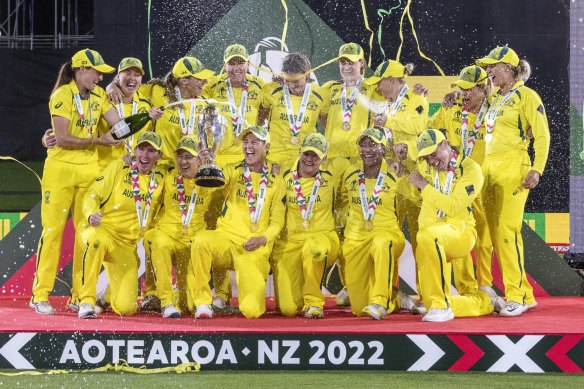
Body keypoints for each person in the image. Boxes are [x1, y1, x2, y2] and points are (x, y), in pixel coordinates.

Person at [30, 49, 121, 315]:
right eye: (96, 71)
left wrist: (142, 120)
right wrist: (98, 141)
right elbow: (62, 138)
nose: (101, 77)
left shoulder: (100, 96)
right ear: (81, 69)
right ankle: (40, 294)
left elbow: (118, 124)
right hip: (60, 171)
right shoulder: (61, 95)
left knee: (85, 235)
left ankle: (81, 297)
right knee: (53, 232)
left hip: (89, 172)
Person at [476, 46, 550, 316]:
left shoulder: (527, 96)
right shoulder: (496, 98)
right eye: (486, 68)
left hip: (514, 167)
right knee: (497, 235)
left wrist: (537, 169)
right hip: (489, 166)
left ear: (507, 67)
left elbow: (542, 136)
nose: (488, 72)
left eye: (492, 67)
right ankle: (526, 294)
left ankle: (516, 294)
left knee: (507, 232)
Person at [191, 125, 285, 319]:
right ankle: (202, 302)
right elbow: (211, 182)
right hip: (225, 242)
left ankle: (247, 300)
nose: (248, 147)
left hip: (254, 249)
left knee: (252, 312)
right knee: (200, 240)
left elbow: (277, 222)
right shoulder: (233, 171)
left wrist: (262, 239)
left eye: (254, 142)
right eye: (245, 142)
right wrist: (205, 164)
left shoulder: (277, 180)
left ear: (266, 147)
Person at [408, 129, 503, 322]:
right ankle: (484, 302)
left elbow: (452, 206)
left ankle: (441, 307)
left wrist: (423, 186)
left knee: (427, 236)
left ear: (445, 145)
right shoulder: (426, 166)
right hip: (434, 232)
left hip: (460, 231)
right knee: (431, 301)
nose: (432, 161)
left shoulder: (470, 170)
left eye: (434, 154)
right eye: (426, 158)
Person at [76, 132, 165, 318]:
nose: (145, 155)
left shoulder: (162, 177)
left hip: (125, 246)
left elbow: (182, 168)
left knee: (127, 309)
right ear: (134, 150)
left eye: (151, 150)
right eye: (141, 149)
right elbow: (93, 194)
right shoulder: (118, 167)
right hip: (103, 232)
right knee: (96, 241)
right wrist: (91, 213)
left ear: (159, 155)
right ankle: (85, 300)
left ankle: (107, 297)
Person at [366, 59, 428, 309]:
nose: (378, 87)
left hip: (414, 180)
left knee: (420, 240)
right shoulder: (384, 103)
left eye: (381, 82)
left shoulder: (416, 97)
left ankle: (427, 296)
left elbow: (418, 125)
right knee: (387, 238)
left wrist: (388, 121)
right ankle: (388, 296)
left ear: (391, 79)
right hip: (391, 181)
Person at [428, 65, 493, 296]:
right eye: (460, 88)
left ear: (483, 89)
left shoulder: (495, 109)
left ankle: (485, 284)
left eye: (468, 89)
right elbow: (430, 130)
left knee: (485, 235)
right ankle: (464, 288)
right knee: (458, 231)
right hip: (456, 181)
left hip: (485, 180)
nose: (463, 93)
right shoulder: (451, 107)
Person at [272, 133, 348, 318]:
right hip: (290, 243)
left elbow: (364, 165)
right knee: (288, 309)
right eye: (306, 154)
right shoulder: (282, 172)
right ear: (299, 152)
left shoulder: (333, 173)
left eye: (316, 156)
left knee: (314, 247)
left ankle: (314, 302)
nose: (310, 159)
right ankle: (299, 300)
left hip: (323, 239)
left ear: (324, 158)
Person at [142, 136, 215, 318]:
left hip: (191, 243)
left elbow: (233, 174)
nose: (183, 161)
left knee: (188, 305)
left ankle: (184, 298)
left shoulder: (209, 177)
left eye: (189, 157)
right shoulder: (167, 173)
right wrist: (127, 160)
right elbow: (144, 165)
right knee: (158, 241)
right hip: (166, 236)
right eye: (180, 156)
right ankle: (166, 302)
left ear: (199, 159)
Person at [339, 128, 405, 320]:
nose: (367, 149)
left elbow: (415, 196)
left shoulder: (395, 174)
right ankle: (396, 299)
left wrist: (405, 163)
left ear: (383, 149)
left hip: (387, 234)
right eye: (363, 145)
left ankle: (380, 301)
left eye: (373, 145)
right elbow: (342, 201)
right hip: (357, 238)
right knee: (359, 309)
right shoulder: (351, 174)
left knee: (382, 243)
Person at [202, 44, 266, 166]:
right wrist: (167, 83)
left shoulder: (259, 86)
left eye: (241, 63)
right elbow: (190, 93)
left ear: (248, 64)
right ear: (224, 65)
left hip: (247, 158)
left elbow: (274, 103)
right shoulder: (212, 85)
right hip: (218, 157)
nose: (236, 68)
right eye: (231, 63)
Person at [257, 52, 325, 166]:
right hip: (275, 159)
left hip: (305, 161)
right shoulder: (271, 90)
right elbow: (258, 121)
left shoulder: (320, 95)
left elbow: (329, 127)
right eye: (287, 80)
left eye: (296, 81)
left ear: (307, 75)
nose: (292, 86)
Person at [97, 57, 153, 170]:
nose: (132, 78)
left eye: (137, 75)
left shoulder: (146, 105)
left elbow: (147, 139)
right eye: (128, 73)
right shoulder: (104, 99)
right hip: (104, 167)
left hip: (133, 168)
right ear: (118, 77)